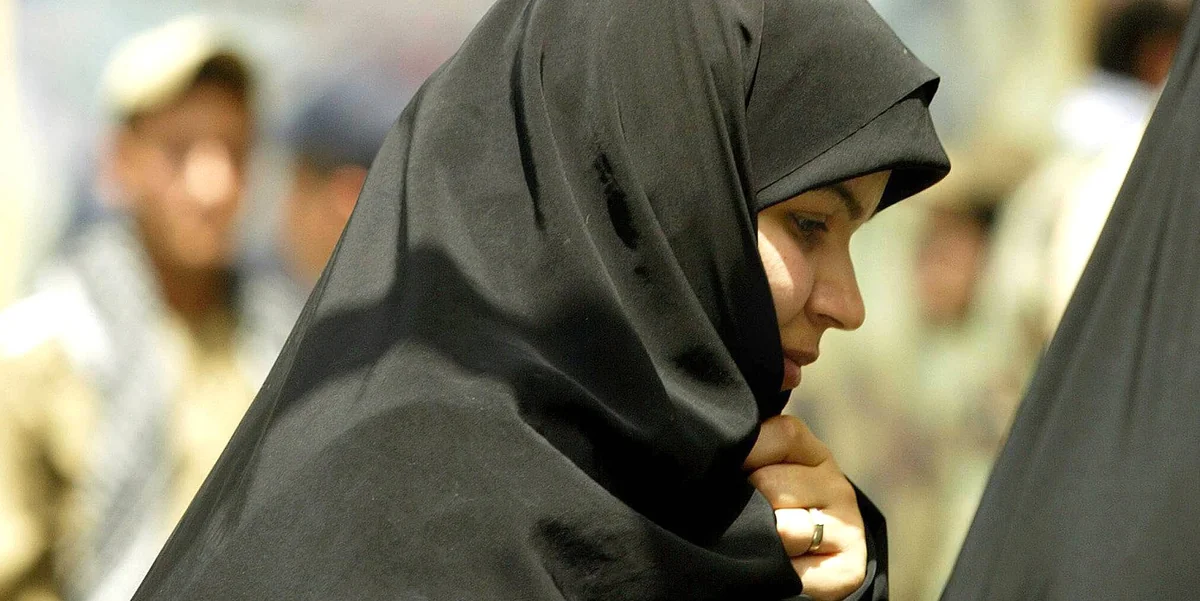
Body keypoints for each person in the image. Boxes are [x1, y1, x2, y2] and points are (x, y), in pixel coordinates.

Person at [131, 1, 948, 600]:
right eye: (809, 224)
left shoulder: (707, 514)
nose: (848, 303)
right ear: (663, 194)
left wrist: (825, 575)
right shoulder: (407, 527)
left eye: (852, 237)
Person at [0, 17, 292, 601]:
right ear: (119, 162)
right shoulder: (48, 349)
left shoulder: (281, 341)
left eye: (234, 152)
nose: (212, 185)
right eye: (179, 152)